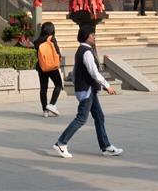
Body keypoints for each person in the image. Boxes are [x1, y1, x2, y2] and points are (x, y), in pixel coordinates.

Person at [52, 25, 122, 158]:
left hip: (88, 89)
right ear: (86, 37)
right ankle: (61, 142)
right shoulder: (86, 52)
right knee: (81, 118)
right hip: (87, 90)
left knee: (99, 117)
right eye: (92, 35)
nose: (94, 37)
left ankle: (106, 147)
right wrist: (107, 85)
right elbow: (94, 73)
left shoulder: (82, 50)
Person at [35, 22, 64, 117]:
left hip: (41, 67)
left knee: (43, 88)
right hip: (52, 66)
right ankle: (51, 104)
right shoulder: (51, 38)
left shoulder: (37, 41)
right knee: (59, 84)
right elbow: (57, 52)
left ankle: (45, 111)